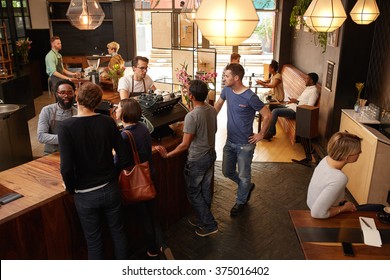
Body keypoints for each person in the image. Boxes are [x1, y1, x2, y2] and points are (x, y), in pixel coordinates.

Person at [58, 82, 131, 260]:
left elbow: (66, 167)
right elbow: (125, 157)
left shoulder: (66, 127)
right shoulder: (107, 122)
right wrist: (112, 175)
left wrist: (71, 188)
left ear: (76, 98)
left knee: (94, 241)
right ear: (98, 102)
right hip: (111, 188)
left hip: (85, 194)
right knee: (118, 234)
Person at [155, 80, 219, 236]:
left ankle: (209, 224)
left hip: (197, 159)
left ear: (190, 95)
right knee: (204, 189)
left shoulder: (192, 116)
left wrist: (168, 155)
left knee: (193, 192)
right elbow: (214, 130)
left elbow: (185, 144)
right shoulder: (211, 109)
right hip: (210, 154)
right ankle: (203, 218)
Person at [115, 98, 173, 258]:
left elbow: (119, 162)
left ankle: (153, 250)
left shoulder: (125, 136)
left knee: (144, 217)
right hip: (148, 175)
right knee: (151, 214)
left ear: (124, 112)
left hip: (136, 181)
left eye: (118, 107)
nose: (116, 110)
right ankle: (162, 244)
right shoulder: (142, 127)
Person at [214, 63, 272, 216]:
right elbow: (218, 105)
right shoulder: (227, 90)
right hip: (230, 141)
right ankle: (246, 186)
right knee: (227, 172)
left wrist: (261, 134)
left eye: (227, 76)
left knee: (244, 175)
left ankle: (240, 201)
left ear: (236, 78)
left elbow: (267, 115)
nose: (224, 78)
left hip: (245, 145)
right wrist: (208, 118)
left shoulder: (250, 97)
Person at [307, 132, 385, 219]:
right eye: (358, 152)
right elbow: (316, 213)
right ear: (347, 157)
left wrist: (340, 201)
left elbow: (323, 187)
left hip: (312, 203)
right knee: (380, 208)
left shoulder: (326, 160)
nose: (361, 152)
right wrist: (344, 208)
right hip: (325, 215)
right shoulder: (339, 178)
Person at [264, 72, 319, 140]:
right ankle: (268, 128)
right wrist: (294, 101)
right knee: (272, 106)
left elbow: (310, 107)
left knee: (275, 111)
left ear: (311, 81)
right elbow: (301, 100)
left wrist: (296, 101)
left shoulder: (314, 91)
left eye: (307, 78)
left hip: (296, 112)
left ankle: (270, 132)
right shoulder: (308, 88)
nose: (305, 80)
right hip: (292, 107)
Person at [37, 80, 77, 154]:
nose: (66, 96)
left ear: (74, 94)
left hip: (72, 152)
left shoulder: (77, 112)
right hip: (51, 153)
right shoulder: (47, 111)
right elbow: (41, 136)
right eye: (62, 93)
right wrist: (66, 138)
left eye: (70, 93)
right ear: (56, 94)